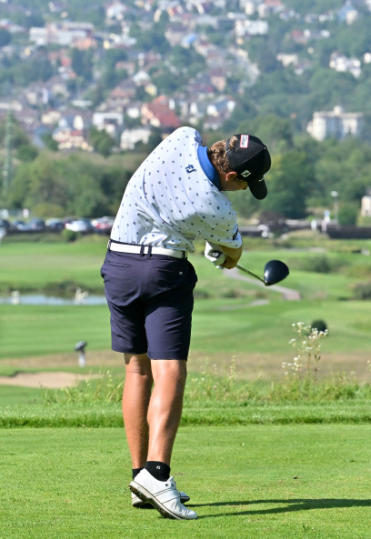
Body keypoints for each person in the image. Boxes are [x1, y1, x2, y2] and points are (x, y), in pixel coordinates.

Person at [101, 127, 271, 520]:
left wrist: (196, 233)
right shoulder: (218, 208)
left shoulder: (180, 137)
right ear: (232, 177)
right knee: (171, 371)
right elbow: (232, 251)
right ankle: (158, 474)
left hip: (118, 263)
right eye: (248, 184)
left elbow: (177, 197)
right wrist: (223, 253)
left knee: (136, 370)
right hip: (162, 271)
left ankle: (139, 477)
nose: (246, 191)